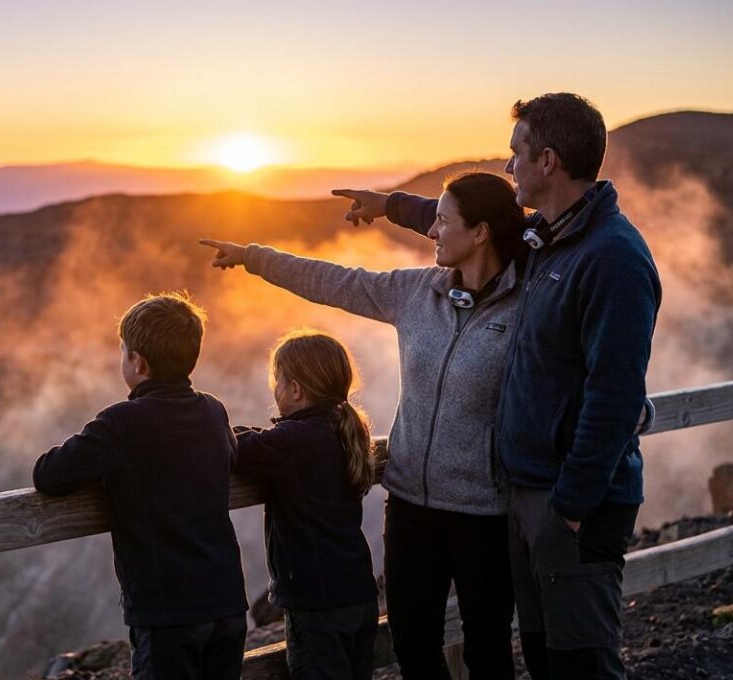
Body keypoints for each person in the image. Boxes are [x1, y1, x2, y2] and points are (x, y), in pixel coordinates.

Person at [335, 93, 663, 680]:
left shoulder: (611, 257)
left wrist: (570, 509)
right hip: (527, 495)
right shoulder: (546, 240)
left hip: (571, 503)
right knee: (541, 657)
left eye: (517, 153)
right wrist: (389, 205)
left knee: (581, 664)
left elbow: (614, 398)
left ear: (548, 161)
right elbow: (468, 222)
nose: (508, 165)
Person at [200, 171, 526, 680]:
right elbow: (337, 281)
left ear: (481, 232)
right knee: (413, 646)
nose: (432, 230)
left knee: (488, 649)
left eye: (443, 221)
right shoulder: (416, 292)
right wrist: (255, 258)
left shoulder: (529, 306)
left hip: (484, 512)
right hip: (411, 508)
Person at [32, 292, 248, 680]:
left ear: (138, 362)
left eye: (123, 351)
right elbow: (231, 455)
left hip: (167, 612)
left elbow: (49, 475)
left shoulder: (120, 424)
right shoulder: (213, 411)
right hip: (226, 600)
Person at [232, 329, 379, 680]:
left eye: (278, 380)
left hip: (317, 604)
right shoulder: (346, 430)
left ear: (296, 389)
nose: (275, 389)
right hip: (359, 594)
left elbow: (234, 447)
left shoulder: (292, 442)